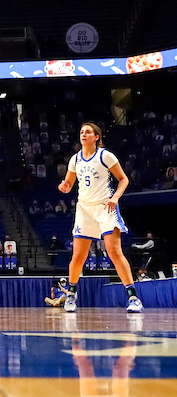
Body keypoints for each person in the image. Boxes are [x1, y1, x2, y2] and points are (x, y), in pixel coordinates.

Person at [57, 122, 142, 313]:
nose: (83, 135)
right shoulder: (75, 160)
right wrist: (64, 187)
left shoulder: (106, 155)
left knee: (114, 252)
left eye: (88, 132)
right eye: (81, 132)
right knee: (78, 256)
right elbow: (69, 184)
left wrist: (115, 197)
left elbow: (123, 179)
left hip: (105, 206)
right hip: (85, 209)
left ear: (97, 137)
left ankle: (133, 297)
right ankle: (71, 294)